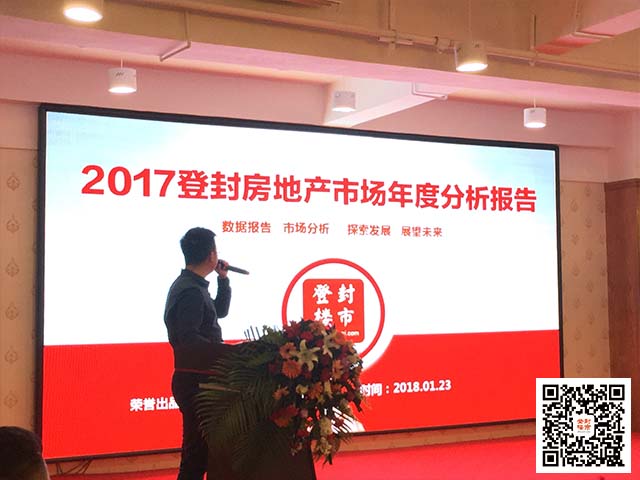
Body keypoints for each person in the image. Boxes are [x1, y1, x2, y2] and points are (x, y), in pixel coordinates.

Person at [164, 227, 232, 480]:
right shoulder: (191, 291)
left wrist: (223, 280)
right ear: (211, 255)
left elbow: (219, 311)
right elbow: (189, 339)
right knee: (195, 457)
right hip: (196, 382)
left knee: (199, 455)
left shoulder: (192, 285)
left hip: (196, 378)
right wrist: (227, 353)